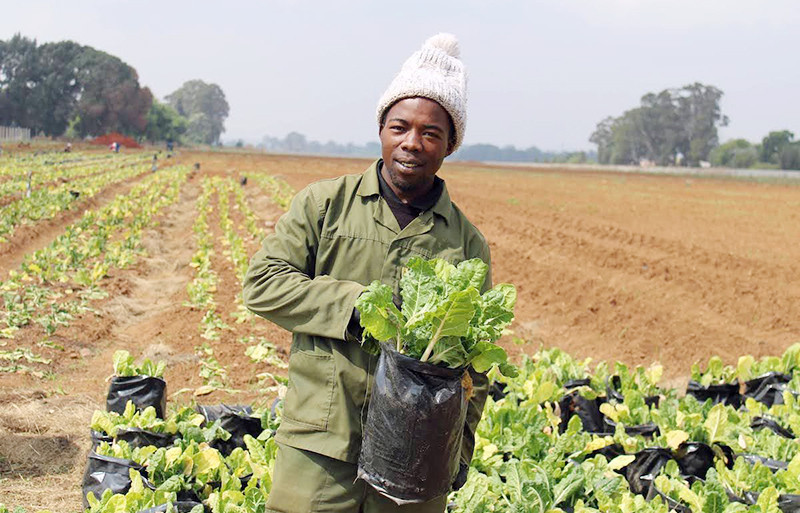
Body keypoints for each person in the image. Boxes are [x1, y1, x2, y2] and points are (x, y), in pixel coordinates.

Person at [243, 33, 490, 513]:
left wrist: (457, 450)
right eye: (400, 126)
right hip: (321, 439)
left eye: (431, 133)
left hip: (414, 456)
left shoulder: (466, 243)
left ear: (450, 144)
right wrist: (353, 307)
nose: (412, 143)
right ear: (382, 128)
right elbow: (263, 283)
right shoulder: (324, 205)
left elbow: (474, 368)